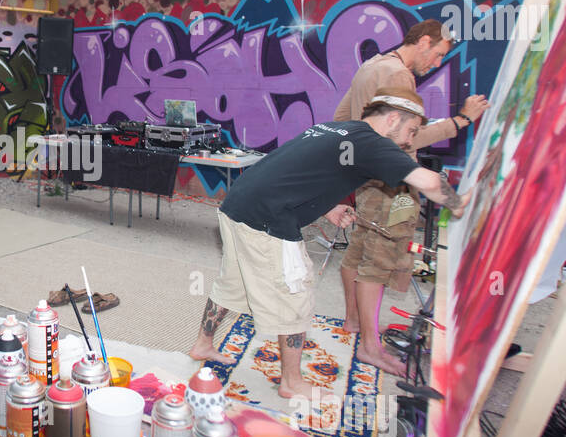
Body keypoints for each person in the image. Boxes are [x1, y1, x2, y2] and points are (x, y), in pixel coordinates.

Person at [189, 88, 467, 398]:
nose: (408, 141)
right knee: (294, 293)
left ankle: (203, 344)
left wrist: (329, 206)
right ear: (391, 119)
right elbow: (429, 182)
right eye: (411, 130)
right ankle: (292, 383)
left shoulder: (338, 128)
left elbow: (300, 170)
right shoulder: (373, 144)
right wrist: (461, 204)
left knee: (233, 282)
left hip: (237, 204)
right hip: (266, 218)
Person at [331, 20, 490, 372]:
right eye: (437, 54)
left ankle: (354, 322)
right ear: (424, 41)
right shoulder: (400, 76)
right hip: (392, 183)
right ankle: (370, 347)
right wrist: (462, 120)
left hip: (366, 176)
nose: (436, 63)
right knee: (379, 262)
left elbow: (341, 119)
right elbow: (406, 141)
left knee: (358, 251)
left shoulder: (370, 66)